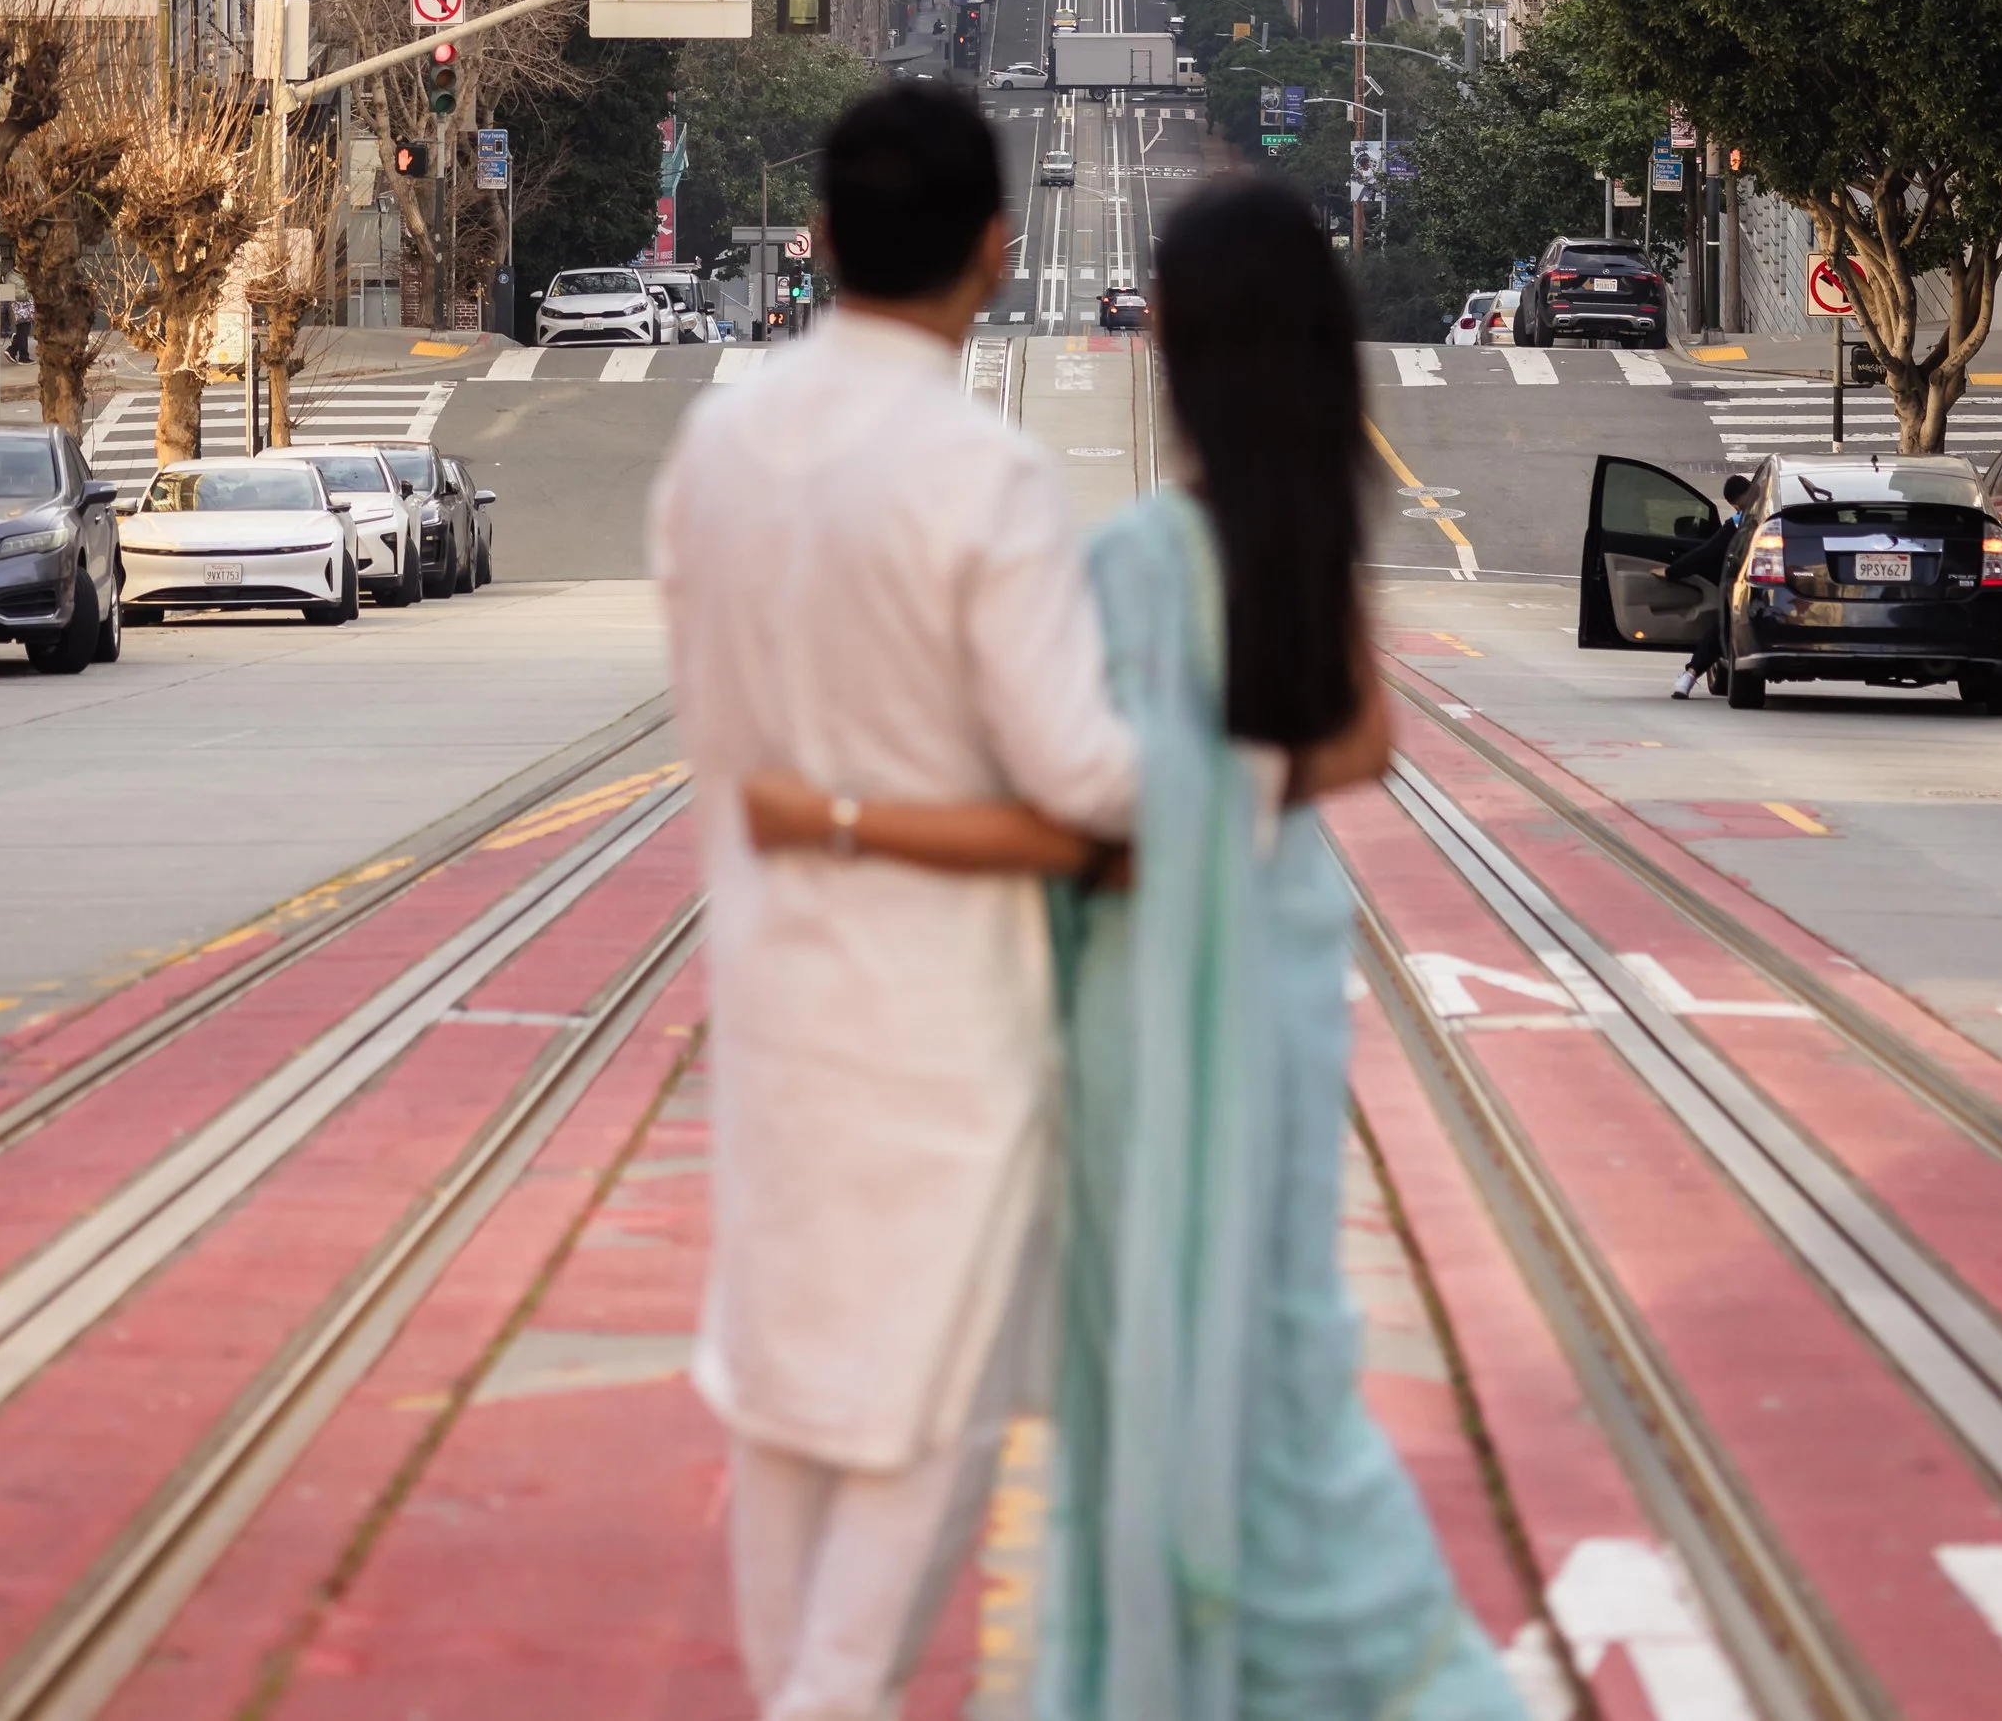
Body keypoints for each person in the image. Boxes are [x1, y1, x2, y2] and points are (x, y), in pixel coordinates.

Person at [746, 175, 1523, 1721]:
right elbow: (1365, 738)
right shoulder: (1302, 537)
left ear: (1174, 338)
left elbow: (1082, 829)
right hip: (1287, 976)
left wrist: (836, 817)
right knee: (1279, 1342)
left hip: (1139, 1011)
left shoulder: (1137, 566)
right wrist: (1240, 790)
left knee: (1143, 1358)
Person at [648, 85, 1138, 1721]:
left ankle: (809, 1684)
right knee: (929, 1404)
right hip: (947, 1028)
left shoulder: (718, 443)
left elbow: (704, 705)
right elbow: (1087, 779)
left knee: (789, 1385)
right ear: (997, 254)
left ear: (823, 241)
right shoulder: (978, 473)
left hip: (773, 992)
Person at [1669, 473, 1753, 699]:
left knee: (1722, 629)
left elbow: (1705, 554)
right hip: (1782, 589)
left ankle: (1689, 676)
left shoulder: (1735, 525)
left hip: (1744, 589)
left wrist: (1671, 572)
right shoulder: (1775, 514)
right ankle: (1689, 676)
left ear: (1734, 504)